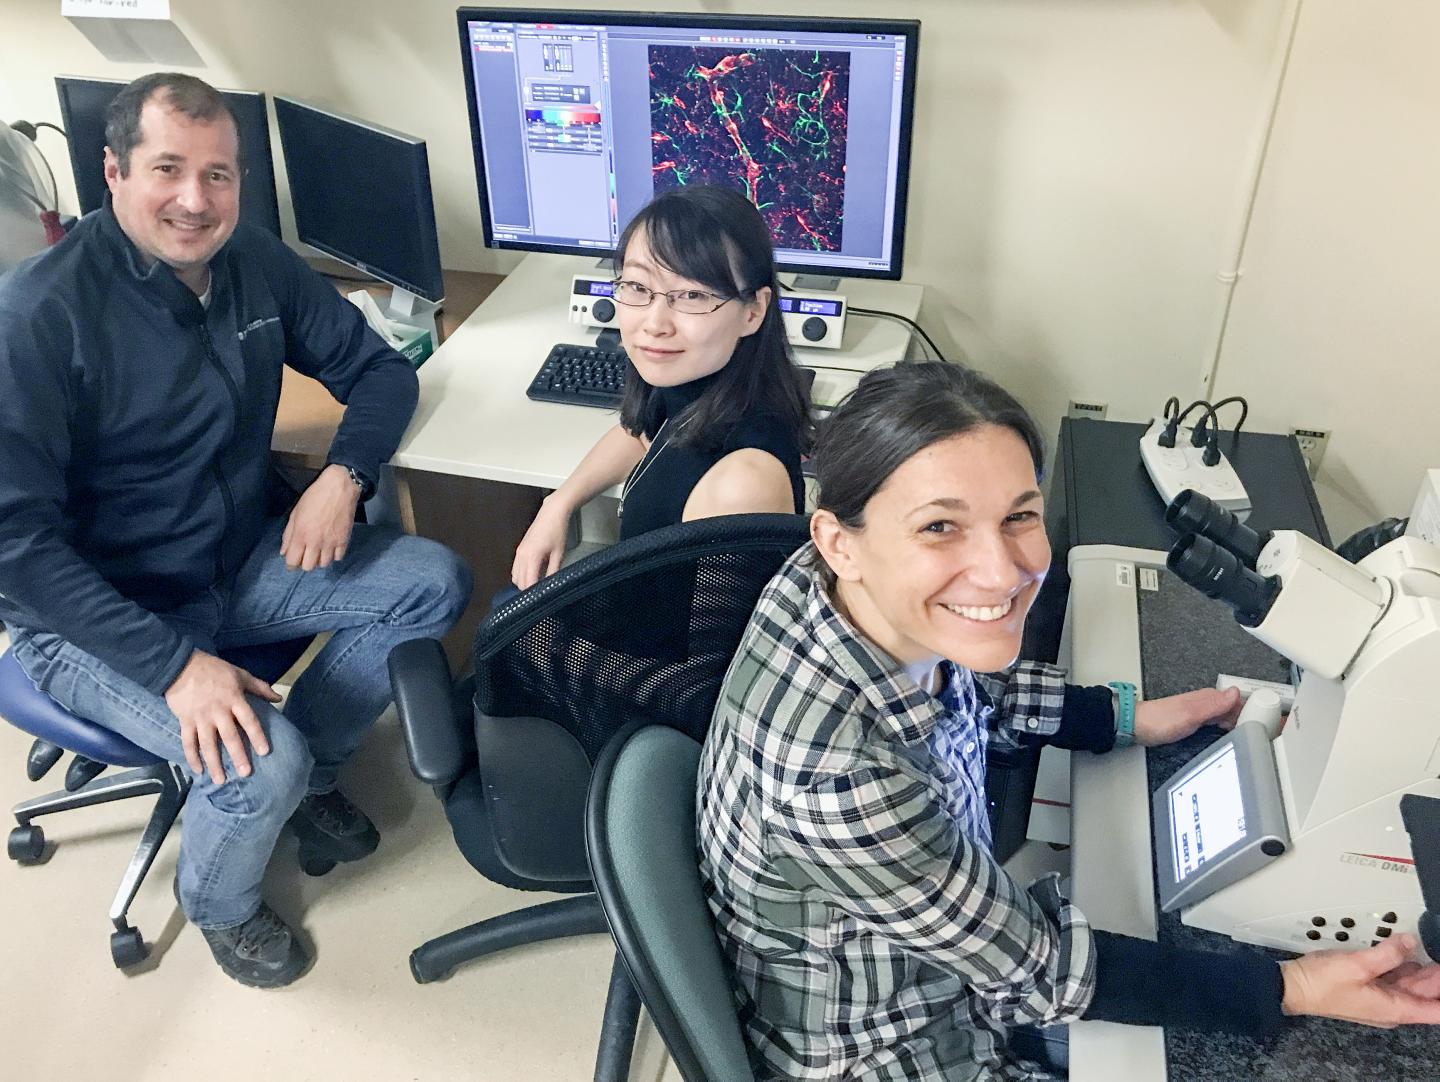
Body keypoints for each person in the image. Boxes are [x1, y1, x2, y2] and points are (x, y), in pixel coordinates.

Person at [697, 361, 1440, 1080]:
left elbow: (976, 677)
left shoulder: (831, 589)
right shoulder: (839, 778)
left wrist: (1122, 716)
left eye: (1019, 516)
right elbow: (1044, 974)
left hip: (948, 968)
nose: (1000, 569)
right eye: (939, 529)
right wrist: (1294, 989)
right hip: (910, 1048)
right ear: (840, 541)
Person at [0, 73, 473, 988]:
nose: (195, 199)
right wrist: (174, 667)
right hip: (93, 615)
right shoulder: (36, 316)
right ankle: (222, 904)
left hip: (230, 556)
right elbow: (15, 550)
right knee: (259, 767)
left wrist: (346, 474)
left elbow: (381, 372)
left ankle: (315, 776)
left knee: (433, 579)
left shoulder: (253, 261)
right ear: (112, 171)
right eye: (168, 169)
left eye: (219, 175)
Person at [510, 184, 812, 589]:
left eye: (692, 295)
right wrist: (558, 503)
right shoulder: (702, 385)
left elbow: (705, 649)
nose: (655, 323)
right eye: (637, 288)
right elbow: (639, 435)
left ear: (753, 311)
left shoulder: (739, 486)